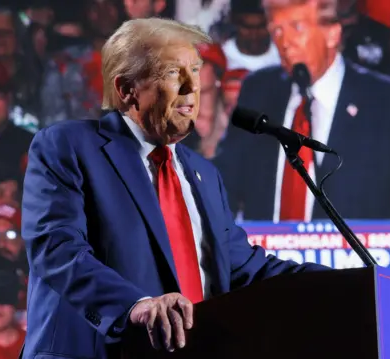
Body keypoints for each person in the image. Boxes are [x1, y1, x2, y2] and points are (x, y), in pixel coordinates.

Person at [20, 18, 328, 359]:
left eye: (194, 70)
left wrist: (353, 283)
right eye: (171, 73)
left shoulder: (204, 175)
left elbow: (247, 269)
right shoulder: (69, 146)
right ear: (126, 89)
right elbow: (57, 249)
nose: (190, 86)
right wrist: (135, 305)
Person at [215, 0, 390, 222]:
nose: (285, 42)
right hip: (270, 269)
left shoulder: (388, 102)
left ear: (332, 34)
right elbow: (225, 178)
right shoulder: (258, 91)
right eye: (277, 30)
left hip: (355, 271)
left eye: (297, 27)